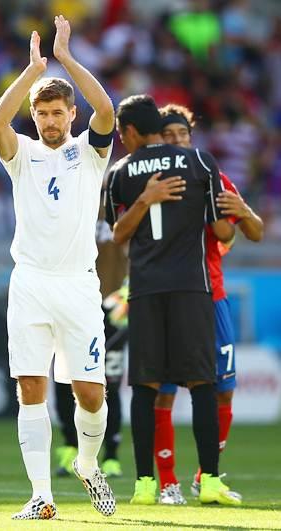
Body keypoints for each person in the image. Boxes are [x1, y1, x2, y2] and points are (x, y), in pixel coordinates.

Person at [0, 15, 115, 520]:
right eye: (42, 114)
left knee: (90, 393)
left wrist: (65, 59)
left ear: (71, 113)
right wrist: (32, 69)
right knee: (30, 387)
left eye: (58, 113)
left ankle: (87, 464)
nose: (50, 122)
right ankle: (42, 495)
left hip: (80, 287)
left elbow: (106, 107)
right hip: (31, 285)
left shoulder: (90, 153)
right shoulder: (23, 155)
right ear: (35, 116)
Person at [105, 94, 241, 507]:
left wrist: (145, 200)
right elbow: (220, 231)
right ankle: (211, 480)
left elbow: (118, 234)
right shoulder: (200, 163)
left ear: (129, 131)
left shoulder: (119, 172)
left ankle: (146, 483)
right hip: (193, 286)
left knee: (146, 386)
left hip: (145, 289)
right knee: (203, 383)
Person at [154, 104, 264, 505]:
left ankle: (206, 477)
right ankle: (166, 482)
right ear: (157, 141)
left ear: (191, 137)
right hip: (165, 297)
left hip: (211, 296)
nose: (178, 142)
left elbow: (250, 230)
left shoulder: (213, 177)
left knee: (223, 392)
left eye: (183, 135)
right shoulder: (149, 182)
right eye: (169, 136)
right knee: (164, 393)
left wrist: (244, 210)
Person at [54, 277, 128, 478]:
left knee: (109, 389)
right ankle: (70, 446)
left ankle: (111, 456)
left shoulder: (119, 247)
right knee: (64, 384)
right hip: (75, 311)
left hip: (113, 314)